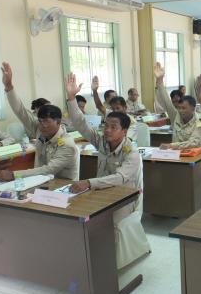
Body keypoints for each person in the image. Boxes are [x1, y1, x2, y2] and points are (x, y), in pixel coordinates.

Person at [64, 73, 150, 268]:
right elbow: (81, 124)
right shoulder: (102, 142)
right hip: (101, 192)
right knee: (78, 214)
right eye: (106, 126)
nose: (108, 130)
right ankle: (87, 256)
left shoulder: (132, 152)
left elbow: (120, 179)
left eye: (113, 127)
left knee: (106, 222)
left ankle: (110, 264)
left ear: (125, 131)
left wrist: (88, 183)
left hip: (126, 198)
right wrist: (71, 99)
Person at [0, 63, 79, 182]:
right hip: (39, 183)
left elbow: (48, 169)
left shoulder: (67, 144)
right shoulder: (39, 128)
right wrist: (9, 86)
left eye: (46, 121)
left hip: (63, 187)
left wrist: (14, 175)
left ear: (58, 121)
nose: (42, 125)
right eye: (40, 121)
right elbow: (20, 111)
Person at [154, 63, 201, 149]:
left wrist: (171, 145)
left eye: (184, 108)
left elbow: (192, 143)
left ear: (192, 109)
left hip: (193, 160)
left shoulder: (198, 125)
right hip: (176, 158)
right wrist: (159, 81)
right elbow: (166, 101)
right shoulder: (176, 116)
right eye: (179, 108)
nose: (181, 110)